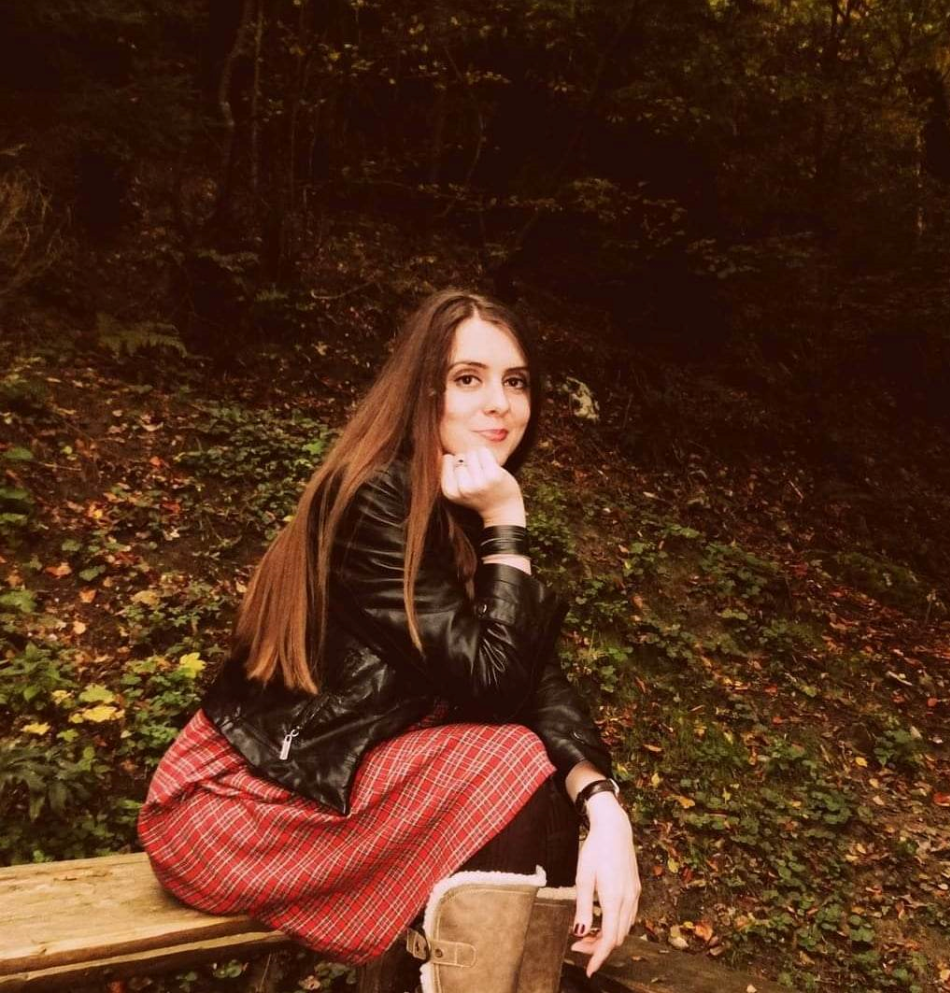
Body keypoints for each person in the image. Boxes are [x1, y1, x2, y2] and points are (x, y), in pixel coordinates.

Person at [137, 288, 640, 993]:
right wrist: (508, 519)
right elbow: (495, 685)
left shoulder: (457, 517)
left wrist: (602, 804)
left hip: (336, 801)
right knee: (510, 762)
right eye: (469, 379)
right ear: (420, 392)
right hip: (238, 807)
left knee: (525, 777)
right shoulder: (374, 498)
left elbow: (535, 681)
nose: (499, 402)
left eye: (516, 381)